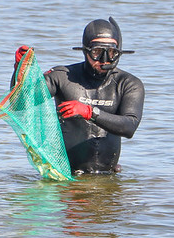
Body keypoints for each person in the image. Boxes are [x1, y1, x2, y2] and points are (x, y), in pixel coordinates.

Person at [14, 17, 145, 175]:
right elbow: (19, 103)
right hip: (66, 177)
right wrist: (20, 71)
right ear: (85, 51)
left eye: (111, 53)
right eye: (97, 52)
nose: (104, 61)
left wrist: (90, 112)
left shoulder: (128, 83)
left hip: (107, 178)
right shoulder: (62, 77)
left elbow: (129, 127)